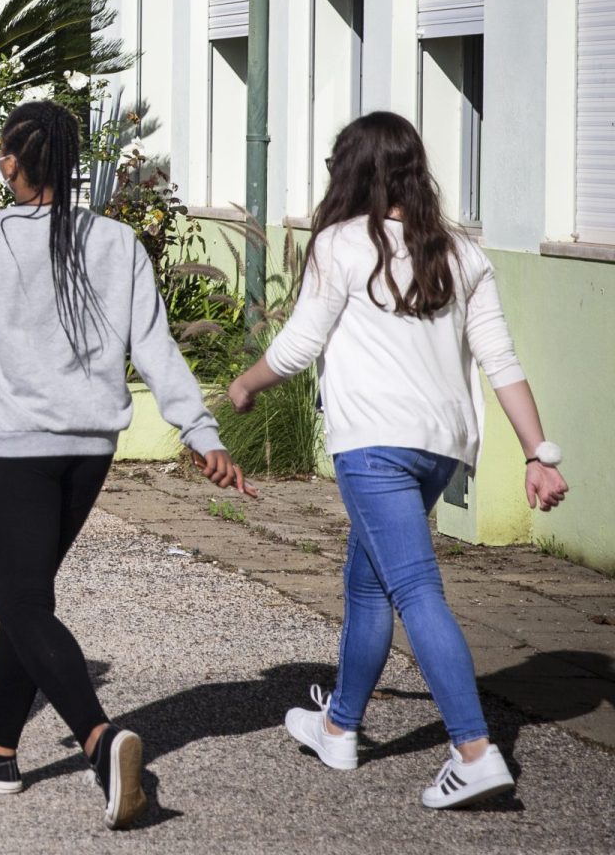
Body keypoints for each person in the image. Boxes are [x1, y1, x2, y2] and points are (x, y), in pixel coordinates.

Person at [0, 99, 252, 831]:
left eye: (3, 152)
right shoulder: (118, 242)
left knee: (22, 602)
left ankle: (101, 742)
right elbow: (156, 347)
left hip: (17, 449)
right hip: (90, 451)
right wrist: (200, 431)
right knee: (27, 597)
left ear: (12, 162)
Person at [225, 112, 568, 810]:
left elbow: (297, 347)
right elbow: (500, 360)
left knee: (414, 589)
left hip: (372, 448)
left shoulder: (341, 244)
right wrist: (539, 451)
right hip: (439, 448)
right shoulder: (463, 252)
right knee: (368, 584)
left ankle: (473, 751)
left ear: (353, 172)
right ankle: (340, 727)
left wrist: (244, 384)